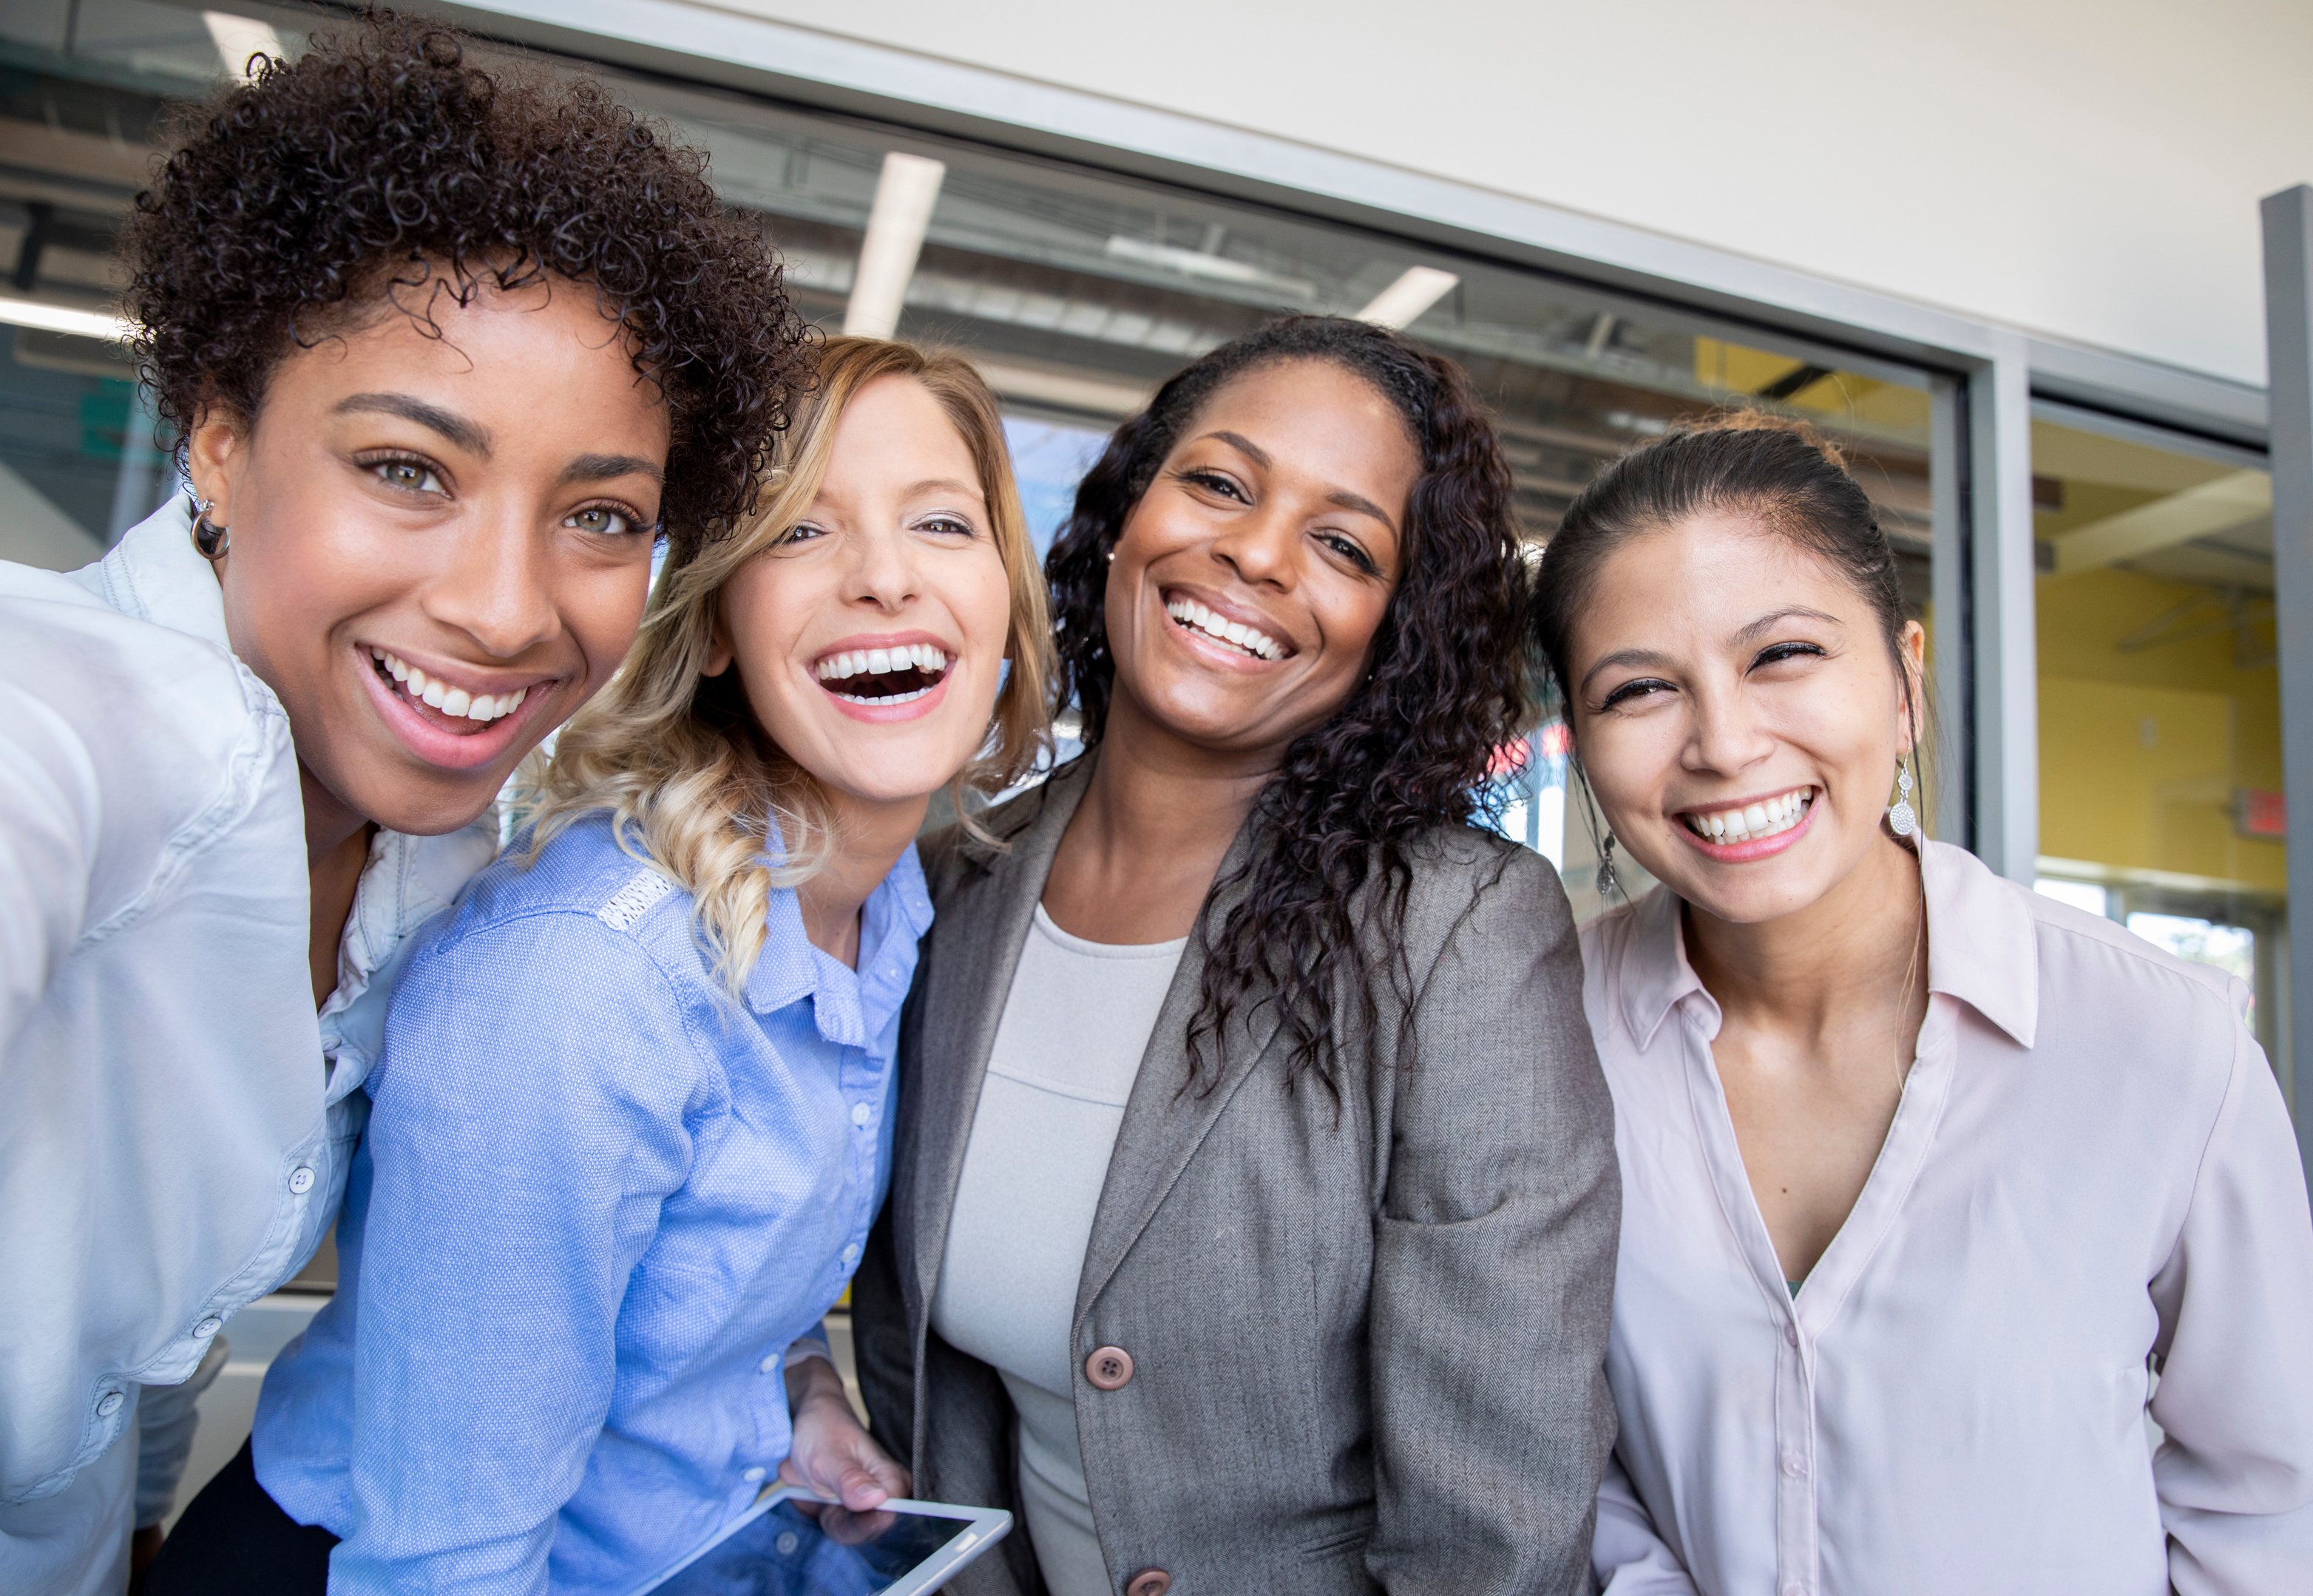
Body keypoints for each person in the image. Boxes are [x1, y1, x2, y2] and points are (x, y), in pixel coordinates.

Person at [0, 14, 803, 1595]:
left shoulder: (436, 850)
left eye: (599, 513)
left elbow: (138, 1340)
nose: (508, 611)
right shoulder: (78, 716)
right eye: (408, 468)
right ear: (218, 441)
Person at [152, 337, 1052, 1595]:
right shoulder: (582, 984)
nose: (887, 579)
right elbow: (444, 1565)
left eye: (942, 524)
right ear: (722, 622)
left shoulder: (894, 903)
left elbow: (721, 1258)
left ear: (1004, 591)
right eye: (801, 533)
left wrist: (796, 1394)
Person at [841, 315, 1620, 1596]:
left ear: (1395, 625)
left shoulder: (1455, 930)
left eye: (1342, 544)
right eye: (1218, 483)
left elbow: (1498, 1531)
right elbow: (916, 1384)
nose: (1255, 554)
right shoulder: (948, 882)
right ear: (1129, 509)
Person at [1532, 417, 2313, 1595]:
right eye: (1640, 689)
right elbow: (1567, 1467)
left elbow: (2275, 1512)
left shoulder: (2159, 1043)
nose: (1723, 743)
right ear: (1583, 740)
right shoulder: (1539, 1043)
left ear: (1906, 682)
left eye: (1782, 655)